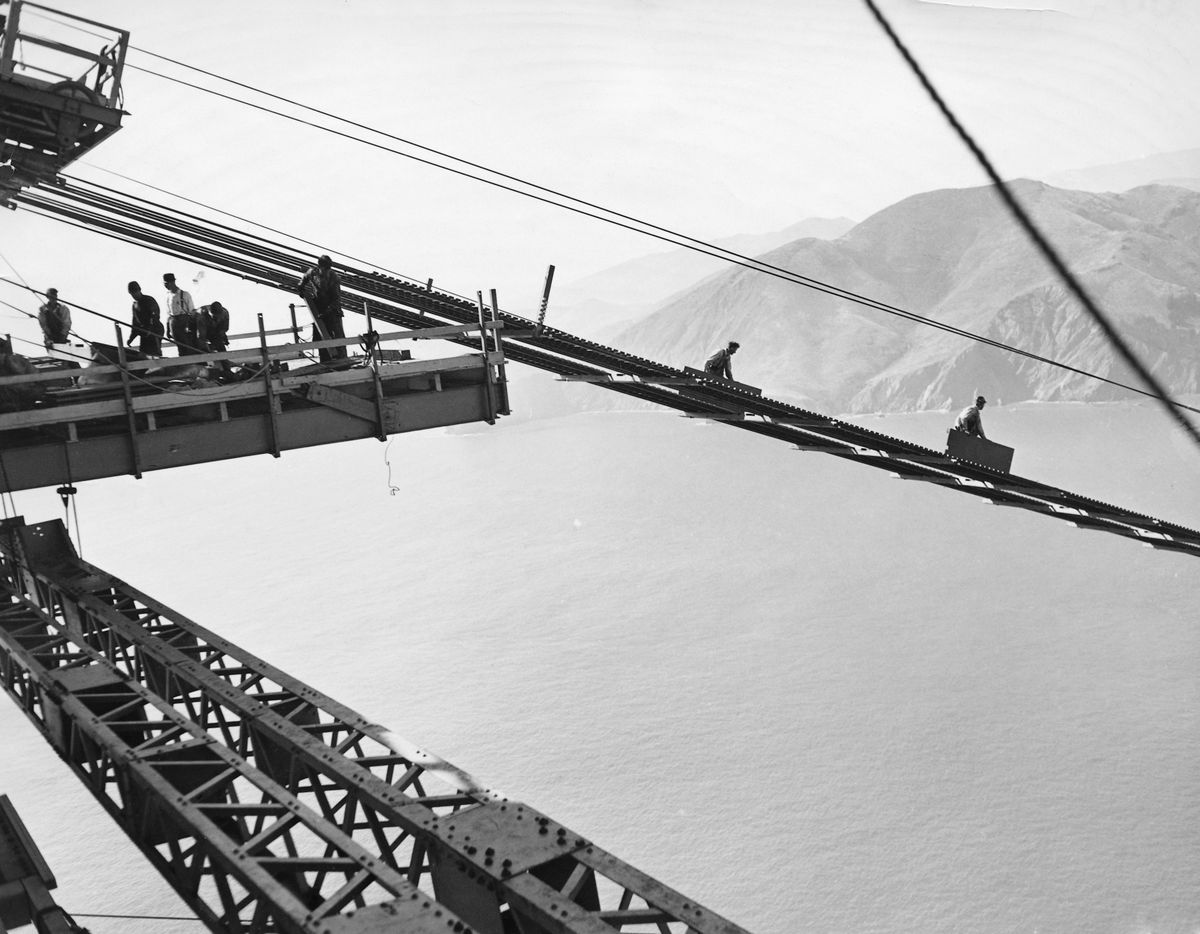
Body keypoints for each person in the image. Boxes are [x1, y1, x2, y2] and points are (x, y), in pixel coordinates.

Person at [297, 254, 346, 363]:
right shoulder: (313, 272)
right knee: (320, 336)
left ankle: (343, 361)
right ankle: (325, 361)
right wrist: (300, 287)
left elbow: (336, 299)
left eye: (328, 269)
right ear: (320, 267)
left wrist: (328, 311)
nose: (326, 271)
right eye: (325, 269)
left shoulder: (334, 278)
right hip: (319, 307)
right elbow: (304, 278)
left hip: (332, 309)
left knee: (338, 336)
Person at [163, 272, 201, 356]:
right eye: (164, 283)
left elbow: (192, 311)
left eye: (167, 283)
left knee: (188, 345)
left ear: (172, 282)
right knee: (180, 346)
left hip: (184, 322)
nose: (165, 285)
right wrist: (168, 328)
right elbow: (168, 314)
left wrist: (190, 325)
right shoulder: (168, 296)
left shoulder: (185, 295)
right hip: (174, 323)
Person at [126, 281, 163, 356]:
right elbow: (135, 324)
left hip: (155, 331)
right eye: (132, 293)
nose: (134, 295)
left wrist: (150, 328)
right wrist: (131, 338)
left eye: (136, 292)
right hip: (144, 333)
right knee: (143, 354)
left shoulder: (149, 300)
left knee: (154, 353)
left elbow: (155, 315)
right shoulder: (135, 305)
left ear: (139, 290)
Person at [199, 301, 230, 368]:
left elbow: (224, 328)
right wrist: (206, 348)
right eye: (215, 315)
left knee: (220, 347)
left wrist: (223, 337)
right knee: (200, 349)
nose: (217, 316)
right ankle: (203, 368)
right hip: (196, 327)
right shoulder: (202, 315)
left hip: (214, 329)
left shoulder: (225, 313)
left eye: (218, 315)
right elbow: (201, 335)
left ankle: (227, 369)